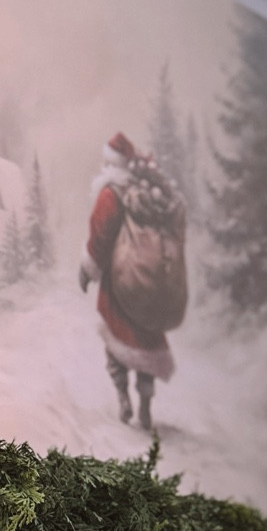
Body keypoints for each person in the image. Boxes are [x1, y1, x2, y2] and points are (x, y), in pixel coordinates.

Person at [79, 131, 187, 431]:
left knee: (116, 342)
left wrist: (88, 269)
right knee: (147, 343)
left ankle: (123, 397)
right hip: (152, 286)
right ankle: (145, 405)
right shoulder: (152, 194)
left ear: (112, 163)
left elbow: (100, 236)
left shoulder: (111, 193)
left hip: (119, 282)